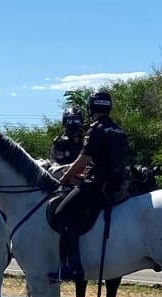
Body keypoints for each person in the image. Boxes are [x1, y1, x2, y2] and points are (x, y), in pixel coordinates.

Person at [49, 89, 129, 283]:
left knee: (61, 212)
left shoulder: (95, 129)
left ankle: (73, 267)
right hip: (119, 183)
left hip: (98, 184)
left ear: (91, 107)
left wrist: (66, 177)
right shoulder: (118, 130)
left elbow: (84, 159)